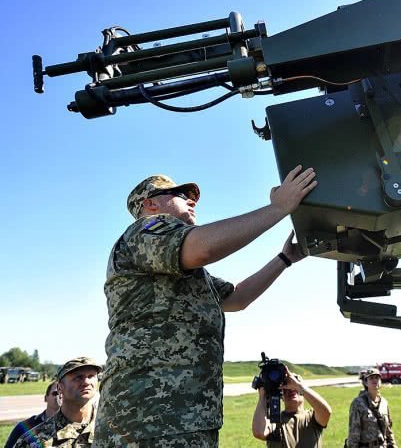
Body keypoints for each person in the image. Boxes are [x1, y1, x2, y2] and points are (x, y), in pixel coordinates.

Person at [93, 168, 317, 447]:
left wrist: (285, 258)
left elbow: (236, 298)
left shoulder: (181, 267)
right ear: (150, 203)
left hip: (182, 419)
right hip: (148, 419)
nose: (192, 200)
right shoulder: (144, 231)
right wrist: (279, 207)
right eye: (180, 194)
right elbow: (203, 248)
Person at [13, 357, 101, 448]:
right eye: (78, 377)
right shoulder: (33, 441)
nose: (86, 382)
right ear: (60, 388)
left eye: (91, 376)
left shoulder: (111, 427)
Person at [252, 370, 331, 447]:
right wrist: (263, 395)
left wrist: (298, 386)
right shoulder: (274, 420)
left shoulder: (312, 417)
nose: (291, 389)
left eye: (294, 385)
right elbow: (259, 432)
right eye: (286, 386)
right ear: (281, 395)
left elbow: (326, 412)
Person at [347, 368, 397, 448]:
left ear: (380, 381)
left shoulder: (384, 403)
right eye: (371, 378)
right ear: (366, 383)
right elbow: (353, 433)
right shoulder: (358, 403)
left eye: (377, 378)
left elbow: (388, 430)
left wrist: (394, 445)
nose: (375, 380)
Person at [4, 380, 61, 448]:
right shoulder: (24, 427)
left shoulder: (73, 426)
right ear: (46, 398)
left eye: (63, 393)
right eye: (55, 393)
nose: (59, 396)